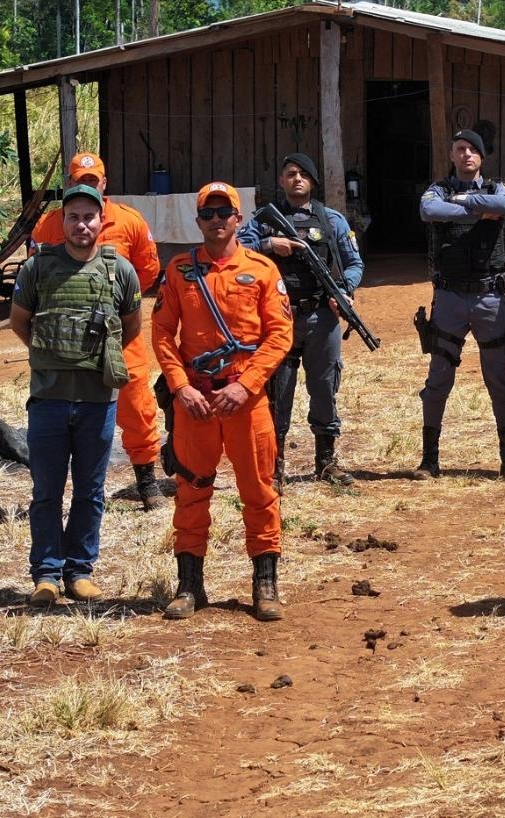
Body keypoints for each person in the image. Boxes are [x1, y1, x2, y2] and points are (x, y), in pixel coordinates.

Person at [152, 182, 293, 621]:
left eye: (224, 212)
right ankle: (189, 586)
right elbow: (161, 334)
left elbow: (280, 334)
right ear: (199, 222)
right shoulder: (178, 270)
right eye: (208, 214)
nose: (216, 220)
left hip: (244, 401)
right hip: (195, 400)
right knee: (191, 491)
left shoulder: (264, 270)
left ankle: (264, 584)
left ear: (238, 219)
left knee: (259, 490)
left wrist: (247, 384)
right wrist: (180, 387)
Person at [10, 184, 142, 605]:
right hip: (48, 400)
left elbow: (132, 326)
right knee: (46, 492)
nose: (81, 223)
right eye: (73, 216)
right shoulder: (37, 267)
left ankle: (80, 571)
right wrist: (52, 355)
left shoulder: (119, 270)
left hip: (97, 402)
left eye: (89, 216)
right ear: (62, 222)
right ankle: (46, 575)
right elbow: (20, 321)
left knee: (90, 490)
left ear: (101, 220)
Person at [31, 152, 165, 511]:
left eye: (93, 180)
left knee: (136, 403)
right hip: (66, 336)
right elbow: (34, 276)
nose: (86, 185)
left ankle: (147, 482)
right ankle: (66, 492)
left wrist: (118, 302)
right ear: (69, 182)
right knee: (68, 409)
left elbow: (147, 272)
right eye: (79, 180)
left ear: (104, 183)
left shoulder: (129, 221)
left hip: (119, 333)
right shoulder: (48, 224)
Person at [238, 152, 365, 491]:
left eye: (303, 174)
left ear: (313, 181)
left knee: (325, 386)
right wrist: (269, 244)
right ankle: (275, 465)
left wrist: (344, 290)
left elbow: (355, 263)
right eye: (290, 173)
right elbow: (236, 249)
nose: (296, 178)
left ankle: (326, 461)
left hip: (321, 315)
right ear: (281, 181)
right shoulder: (265, 221)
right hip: (277, 318)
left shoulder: (332, 220)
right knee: (277, 392)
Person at [415, 129, 505, 481]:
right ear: (451, 155)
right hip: (449, 297)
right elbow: (428, 209)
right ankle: (429, 460)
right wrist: (475, 208)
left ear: (481, 157)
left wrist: (462, 205)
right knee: (438, 378)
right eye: (459, 149)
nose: (466, 154)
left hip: (489, 297)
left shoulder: (497, 187)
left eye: (472, 150)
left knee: (499, 379)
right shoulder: (438, 189)